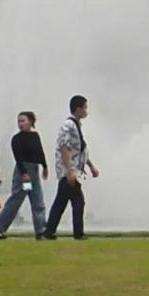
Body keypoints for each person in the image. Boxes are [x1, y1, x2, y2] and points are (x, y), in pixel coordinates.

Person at [0, 110, 49, 241]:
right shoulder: (17, 139)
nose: (20, 124)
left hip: (34, 172)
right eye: (19, 121)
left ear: (31, 122)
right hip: (24, 174)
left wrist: (45, 167)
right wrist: (24, 173)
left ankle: (41, 230)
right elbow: (18, 157)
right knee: (16, 200)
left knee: (38, 201)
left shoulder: (35, 136)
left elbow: (40, 152)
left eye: (23, 121)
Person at [48, 93, 98, 240]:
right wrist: (69, 171)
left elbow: (80, 150)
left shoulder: (76, 126)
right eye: (85, 108)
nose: (86, 111)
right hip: (68, 171)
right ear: (78, 109)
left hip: (71, 171)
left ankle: (49, 231)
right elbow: (64, 147)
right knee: (78, 202)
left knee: (60, 202)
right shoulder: (68, 126)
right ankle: (78, 233)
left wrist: (90, 166)